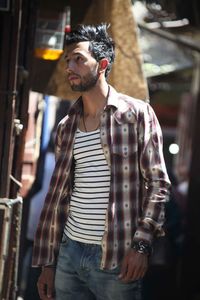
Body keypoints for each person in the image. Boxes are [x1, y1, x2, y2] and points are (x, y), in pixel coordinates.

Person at [32, 23, 171, 300]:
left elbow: (158, 185)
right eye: (67, 60)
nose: (70, 66)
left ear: (102, 64)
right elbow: (58, 199)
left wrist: (141, 246)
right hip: (69, 255)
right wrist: (49, 264)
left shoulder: (137, 114)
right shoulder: (65, 126)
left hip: (117, 256)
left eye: (79, 59)